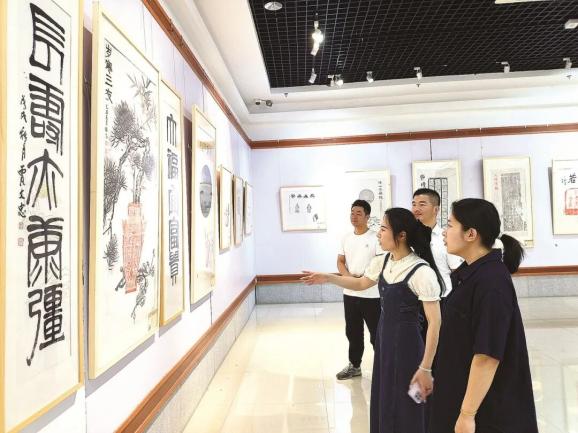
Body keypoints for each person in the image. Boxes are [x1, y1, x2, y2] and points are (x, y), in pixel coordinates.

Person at [302, 208, 443, 433]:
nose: (378, 233)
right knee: (386, 394)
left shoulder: (421, 272)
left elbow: (435, 323)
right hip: (384, 343)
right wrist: (329, 278)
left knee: (412, 399)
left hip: (409, 348)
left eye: (384, 228)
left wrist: (425, 367)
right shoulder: (383, 261)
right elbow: (361, 283)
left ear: (401, 235)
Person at [429, 198, 538, 433]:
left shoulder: (491, 283)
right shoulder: (470, 273)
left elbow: (487, 356)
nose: (444, 232)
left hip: (487, 410)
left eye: (450, 225)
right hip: (460, 391)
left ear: (471, 234)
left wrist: (467, 415)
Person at [335, 199, 381, 380]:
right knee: (353, 332)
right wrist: (348, 277)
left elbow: (380, 263)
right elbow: (340, 261)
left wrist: (364, 279)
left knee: (376, 333)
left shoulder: (375, 238)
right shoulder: (346, 237)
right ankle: (354, 366)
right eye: (352, 213)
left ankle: (382, 368)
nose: (354, 216)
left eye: (359, 213)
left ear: (367, 216)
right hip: (350, 293)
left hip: (372, 294)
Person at [412, 188, 463, 296]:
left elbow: (457, 273)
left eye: (422, 204)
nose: (416, 209)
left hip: (442, 298)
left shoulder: (446, 238)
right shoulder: (407, 238)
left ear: (436, 209)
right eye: (414, 204)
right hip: (413, 299)